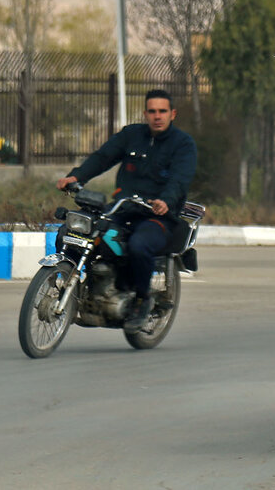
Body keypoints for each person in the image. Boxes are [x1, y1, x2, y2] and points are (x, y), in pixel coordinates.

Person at [56, 89, 197, 332]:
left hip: (158, 215)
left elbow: (179, 179)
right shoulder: (132, 135)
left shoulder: (182, 144)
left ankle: (142, 301)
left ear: (172, 114)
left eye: (162, 111)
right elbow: (103, 157)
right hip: (123, 209)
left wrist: (165, 200)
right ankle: (74, 285)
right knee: (73, 231)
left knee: (139, 245)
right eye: (152, 111)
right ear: (145, 113)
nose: (157, 116)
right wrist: (76, 176)